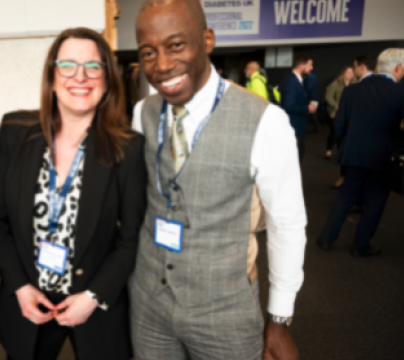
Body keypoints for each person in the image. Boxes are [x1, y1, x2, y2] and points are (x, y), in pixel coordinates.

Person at [130, 1, 307, 360]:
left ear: (207, 40)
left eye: (176, 45)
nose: (162, 65)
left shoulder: (267, 121)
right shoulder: (142, 112)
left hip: (226, 312)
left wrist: (278, 318)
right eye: (149, 52)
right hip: (149, 303)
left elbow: (286, 225)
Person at [0, 27, 146, 360]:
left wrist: (93, 295)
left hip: (93, 304)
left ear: (106, 77)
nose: (80, 76)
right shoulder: (15, 133)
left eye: (93, 66)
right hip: (30, 300)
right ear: (52, 74)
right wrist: (18, 285)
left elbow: (131, 239)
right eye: (68, 65)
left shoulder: (127, 149)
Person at [317, 48, 404, 257]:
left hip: (354, 155)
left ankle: (326, 239)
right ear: (397, 67)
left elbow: (339, 126)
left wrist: (348, 146)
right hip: (384, 159)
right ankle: (361, 246)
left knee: (346, 197)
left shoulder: (351, 90)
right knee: (375, 202)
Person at [280, 53, 315, 161]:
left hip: (297, 128)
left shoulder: (297, 80)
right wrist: (307, 108)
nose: (312, 68)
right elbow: (288, 106)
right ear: (301, 67)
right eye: (310, 65)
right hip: (293, 127)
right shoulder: (291, 81)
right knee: (294, 159)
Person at [304, 58, 320, 133]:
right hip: (315, 97)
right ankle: (317, 127)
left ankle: (317, 128)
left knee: (311, 114)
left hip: (310, 98)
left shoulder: (307, 78)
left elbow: (308, 89)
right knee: (313, 115)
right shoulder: (315, 77)